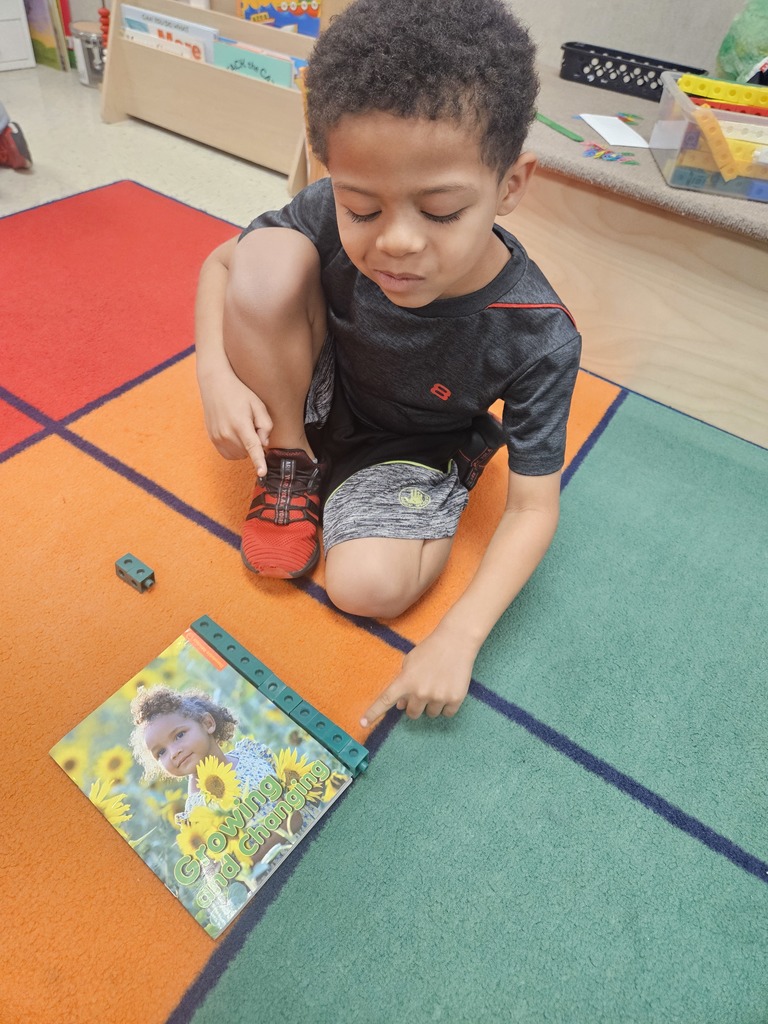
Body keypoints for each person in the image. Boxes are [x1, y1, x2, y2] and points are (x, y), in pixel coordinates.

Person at [194, 0, 581, 730]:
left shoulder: (537, 334)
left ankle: (423, 501)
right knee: (265, 261)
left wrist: (458, 637)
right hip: (315, 388)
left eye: (440, 212)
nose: (396, 242)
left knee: (365, 588)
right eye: (363, 209)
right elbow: (221, 264)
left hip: (412, 443)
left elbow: (533, 506)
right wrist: (213, 372)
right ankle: (292, 460)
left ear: (511, 185)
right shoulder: (328, 203)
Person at [129, 685, 301, 840]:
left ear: (207, 723)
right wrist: (289, 823)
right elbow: (232, 860)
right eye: (161, 752)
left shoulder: (250, 753)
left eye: (179, 735)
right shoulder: (198, 811)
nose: (174, 753)